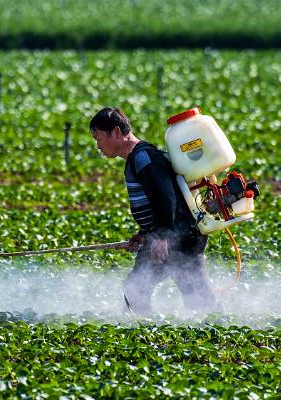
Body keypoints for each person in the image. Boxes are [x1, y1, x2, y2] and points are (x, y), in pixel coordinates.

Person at [89, 107, 219, 315]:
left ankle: (142, 334)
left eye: (98, 138)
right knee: (198, 297)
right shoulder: (140, 158)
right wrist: (144, 234)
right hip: (181, 235)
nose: (98, 146)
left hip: (176, 236)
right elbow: (162, 202)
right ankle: (218, 326)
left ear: (116, 132)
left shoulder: (143, 158)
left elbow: (165, 197)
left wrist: (160, 237)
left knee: (135, 289)